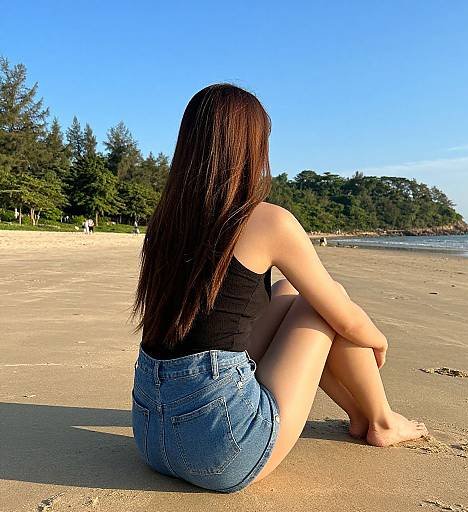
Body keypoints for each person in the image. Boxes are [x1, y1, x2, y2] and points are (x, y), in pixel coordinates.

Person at [130, 84, 428, 494]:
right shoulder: (267, 221)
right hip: (222, 450)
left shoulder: (165, 223)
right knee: (325, 300)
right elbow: (343, 318)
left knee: (289, 289)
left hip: (150, 437)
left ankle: (361, 416)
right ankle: (381, 420)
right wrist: (378, 340)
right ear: (252, 150)